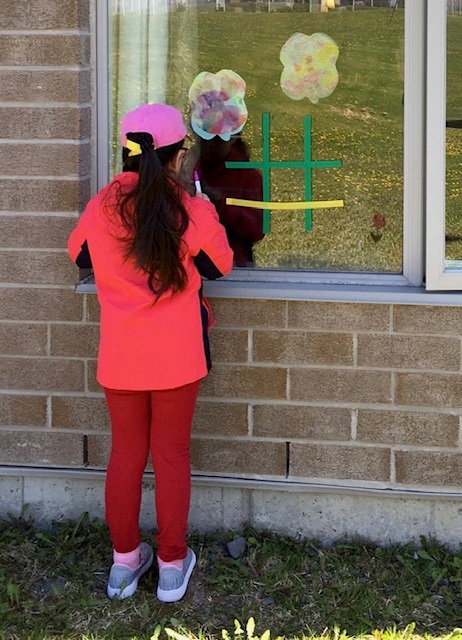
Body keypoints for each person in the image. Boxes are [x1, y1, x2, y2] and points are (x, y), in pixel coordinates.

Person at [67, 103, 233, 603]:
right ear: (178, 156)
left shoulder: (102, 206)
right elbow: (220, 265)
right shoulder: (190, 210)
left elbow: (78, 255)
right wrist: (204, 207)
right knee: (171, 455)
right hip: (178, 358)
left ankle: (123, 565)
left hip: (121, 358)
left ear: (126, 153)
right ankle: (171, 567)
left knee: (125, 454)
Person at [184, 134, 264, 267]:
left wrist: (220, 202)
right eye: (205, 140)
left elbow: (256, 230)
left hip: (234, 263)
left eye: (217, 141)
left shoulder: (248, 177)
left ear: (231, 140)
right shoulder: (192, 168)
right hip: (195, 258)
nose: (210, 146)